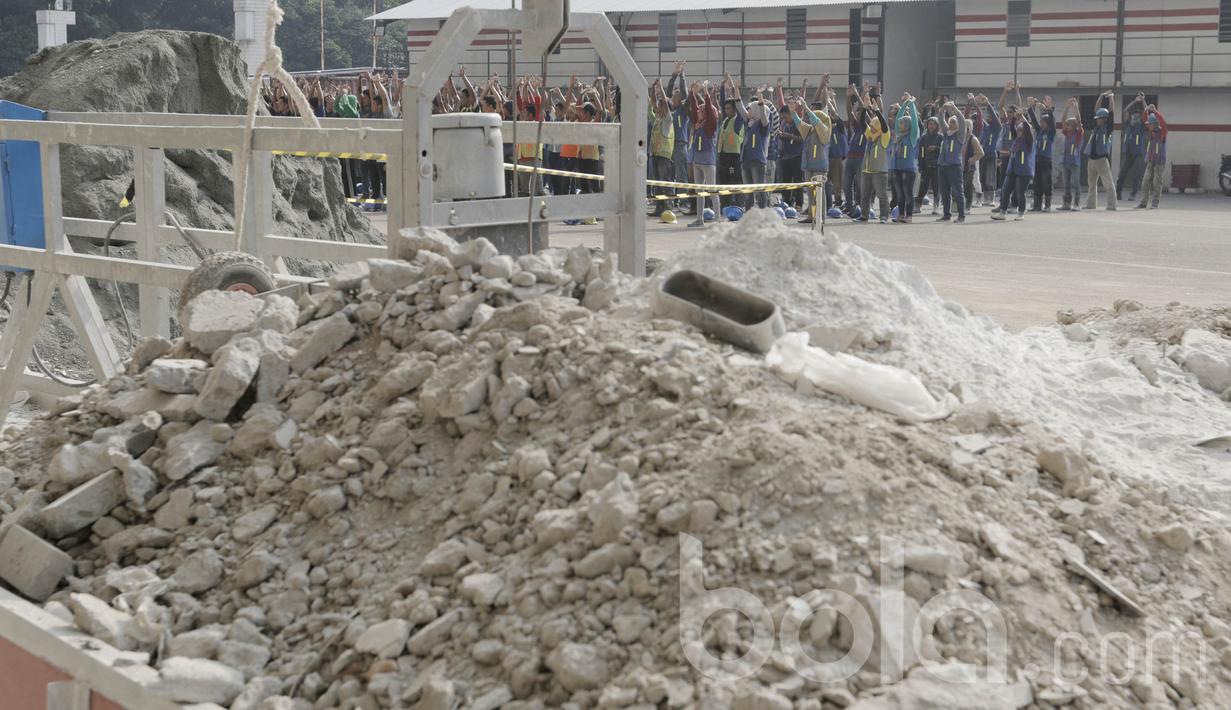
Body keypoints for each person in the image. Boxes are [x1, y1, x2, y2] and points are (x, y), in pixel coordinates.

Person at [991, 98, 1036, 221]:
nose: (1019, 131)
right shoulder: (1016, 139)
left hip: (1024, 171)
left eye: (1021, 130)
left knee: (1020, 193)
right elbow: (1012, 127)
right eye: (1018, 129)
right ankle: (1002, 212)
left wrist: (1022, 117)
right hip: (1013, 170)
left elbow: (1027, 128)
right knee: (1005, 190)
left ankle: (1021, 213)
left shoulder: (1029, 141)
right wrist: (1015, 118)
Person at [793, 93, 833, 222]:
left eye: (815, 117)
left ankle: (821, 216)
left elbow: (817, 122)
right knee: (811, 193)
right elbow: (799, 123)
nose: (811, 119)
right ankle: (811, 216)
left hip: (820, 166)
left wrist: (806, 107)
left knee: (820, 193)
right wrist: (793, 112)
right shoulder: (810, 130)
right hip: (809, 165)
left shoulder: (824, 130)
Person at [687, 80, 720, 228]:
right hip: (697, 161)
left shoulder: (710, 125)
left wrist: (706, 94)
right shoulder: (697, 123)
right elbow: (693, 107)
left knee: (712, 190)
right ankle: (699, 219)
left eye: (701, 110)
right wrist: (692, 93)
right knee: (699, 191)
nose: (698, 111)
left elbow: (710, 112)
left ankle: (717, 220)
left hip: (708, 162)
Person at [734, 81, 771, 209]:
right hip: (745, 160)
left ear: (757, 111)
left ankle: (762, 213)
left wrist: (760, 97)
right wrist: (736, 88)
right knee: (747, 192)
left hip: (757, 161)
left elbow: (764, 115)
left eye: (750, 108)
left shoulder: (763, 126)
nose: (747, 109)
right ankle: (749, 214)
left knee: (759, 191)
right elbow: (739, 106)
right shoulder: (749, 123)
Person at [856, 87, 891, 224]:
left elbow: (884, 126)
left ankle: (884, 216)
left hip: (879, 172)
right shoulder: (870, 136)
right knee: (864, 195)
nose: (871, 127)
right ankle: (864, 215)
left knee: (882, 195)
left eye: (874, 126)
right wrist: (864, 108)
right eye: (871, 126)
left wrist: (876, 110)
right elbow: (861, 123)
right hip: (866, 171)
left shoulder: (884, 137)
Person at [889, 92, 919, 224]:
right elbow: (897, 119)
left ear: (907, 125)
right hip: (897, 168)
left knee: (907, 193)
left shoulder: (912, 137)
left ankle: (909, 216)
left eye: (902, 123)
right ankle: (901, 215)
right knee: (899, 194)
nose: (899, 125)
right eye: (899, 123)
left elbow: (915, 121)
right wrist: (904, 105)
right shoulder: (898, 136)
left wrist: (911, 104)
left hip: (908, 169)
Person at [935, 101, 968, 223]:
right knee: (944, 192)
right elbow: (940, 119)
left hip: (954, 167)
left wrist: (954, 108)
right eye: (950, 121)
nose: (951, 123)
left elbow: (962, 120)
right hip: (942, 166)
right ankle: (946, 214)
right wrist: (943, 109)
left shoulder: (959, 135)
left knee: (958, 191)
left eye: (954, 122)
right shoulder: (946, 134)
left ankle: (961, 215)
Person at [1085, 90, 1118, 210]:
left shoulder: (1108, 128)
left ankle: (1112, 205)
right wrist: (1100, 96)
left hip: (1102, 160)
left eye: (1099, 118)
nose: (1097, 120)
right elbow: (1096, 109)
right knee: (1091, 184)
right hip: (1091, 159)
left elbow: (1112, 112)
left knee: (1108, 183)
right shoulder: (1096, 127)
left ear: (1104, 119)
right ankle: (1091, 204)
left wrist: (1111, 97)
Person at [666, 62, 692, 213]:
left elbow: (685, 93)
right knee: (670, 175)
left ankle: (684, 202)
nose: (673, 97)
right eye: (673, 96)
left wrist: (682, 75)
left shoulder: (683, 110)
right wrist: (674, 75)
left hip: (680, 145)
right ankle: (670, 202)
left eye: (676, 96)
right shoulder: (670, 110)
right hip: (668, 146)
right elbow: (667, 92)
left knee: (681, 175)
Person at [717, 74, 746, 207]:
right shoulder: (725, 120)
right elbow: (723, 102)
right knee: (724, 181)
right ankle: (725, 204)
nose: (726, 110)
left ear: (735, 110)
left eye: (729, 109)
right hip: (723, 156)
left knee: (735, 181)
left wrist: (735, 88)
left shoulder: (737, 121)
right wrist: (723, 86)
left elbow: (739, 106)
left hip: (733, 156)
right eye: (725, 109)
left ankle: (739, 204)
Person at [648, 79, 675, 216]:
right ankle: (659, 208)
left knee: (665, 182)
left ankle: (668, 208)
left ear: (665, 108)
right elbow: (651, 105)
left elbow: (664, 100)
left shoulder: (667, 120)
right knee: (657, 183)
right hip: (655, 154)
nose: (657, 107)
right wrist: (653, 90)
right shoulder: (657, 119)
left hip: (664, 156)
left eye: (660, 105)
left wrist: (660, 88)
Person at [1117, 92, 1148, 201]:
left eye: (1137, 116)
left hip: (1138, 154)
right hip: (1127, 153)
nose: (1135, 117)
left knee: (1136, 175)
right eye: (1134, 115)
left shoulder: (1142, 126)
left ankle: (1133, 194)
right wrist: (1135, 101)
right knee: (1122, 174)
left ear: (1140, 118)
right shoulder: (1128, 124)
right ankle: (1118, 193)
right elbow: (1125, 110)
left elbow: (1147, 112)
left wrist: (1143, 100)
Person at [1136, 104, 1168, 209]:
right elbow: (1145, 119)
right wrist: (1146, 111)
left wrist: (1155, 112)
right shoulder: (1150, 131)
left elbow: (1163, 123)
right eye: (1148, 124)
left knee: (1157, 182)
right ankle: (1143, 202)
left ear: (1155, 124)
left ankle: (1155, 202)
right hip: (1150, 160)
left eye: (1150, 124)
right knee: (1145, 181)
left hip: (1159, 162)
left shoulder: (1162, 132)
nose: (1148, 126)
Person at [775, 101, 804, 211]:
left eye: (785, 117)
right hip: (785, 156)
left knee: (798, 181)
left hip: (796, 156)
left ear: (791, 114)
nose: (784, 120)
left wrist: (789, 136)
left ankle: (799, 203)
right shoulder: (783, 124)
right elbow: (782, 135)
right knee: (786, 181)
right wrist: (780, 135)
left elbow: (802, 139)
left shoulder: (798, 123)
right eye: (782, 118)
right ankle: (786, 202)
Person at [842, 83, 867, 215]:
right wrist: (847, 97)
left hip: (861, 159)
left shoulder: (867, 126)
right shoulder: (855, 126)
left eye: (859, 114)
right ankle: (851, 207)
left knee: (861, 186)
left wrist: (857, 94)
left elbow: (863, 108)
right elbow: (849, 112)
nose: (856, 115)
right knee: (846, 185)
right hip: (850, 158)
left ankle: (864, 209)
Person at [1029, 97, 1056, 212]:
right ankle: (1037, 205)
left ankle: (1048, 205)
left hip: (1046, 161)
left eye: (1044, 122)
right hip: (1037, 161)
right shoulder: (1039, 132)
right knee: (1037, 183)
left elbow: (1052, 122)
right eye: (1041, 122)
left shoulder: (1051, 133)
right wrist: (1031, 107)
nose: (1041, 124)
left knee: (1046, 182)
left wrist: (1049, 109)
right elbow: (1033, 120)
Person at [1058, 98, 1084, 211]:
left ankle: (1077, 203)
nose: (1066, 126)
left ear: (1074, 126)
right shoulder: (1067, 133)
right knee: (1066, 184)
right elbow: (1063, 120)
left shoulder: (1079, 134)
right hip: (1065, 161)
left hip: (1074, 162)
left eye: (1069, 125)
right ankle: (1066, 203)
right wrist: (1067, 107)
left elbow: (1079, 119)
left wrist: (1076, 107)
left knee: (1075, 183)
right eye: (1067, 125)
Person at [915, 115, 942, 214]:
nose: (932, 126)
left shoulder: (940, 137)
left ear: (937, 125)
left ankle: (936, 206)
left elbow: (943, 150)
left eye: (934, 124)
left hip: (937, 166)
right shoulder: (924, 138)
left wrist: (936, 148)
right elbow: (921, 152)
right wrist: (920, 165)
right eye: (930, 124)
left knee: (936, 187)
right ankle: (918, 205)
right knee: (923, 186)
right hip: (926, 165)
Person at [962, 117, 985, 214]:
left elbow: (981, 153)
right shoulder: (960, 138)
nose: (964, 130)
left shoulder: (973, 139)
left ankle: (968, 205)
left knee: (968, 186)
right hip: (960, 166)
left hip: (969, 167)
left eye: (966, 128)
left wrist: (972, 159)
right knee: (961, 186)